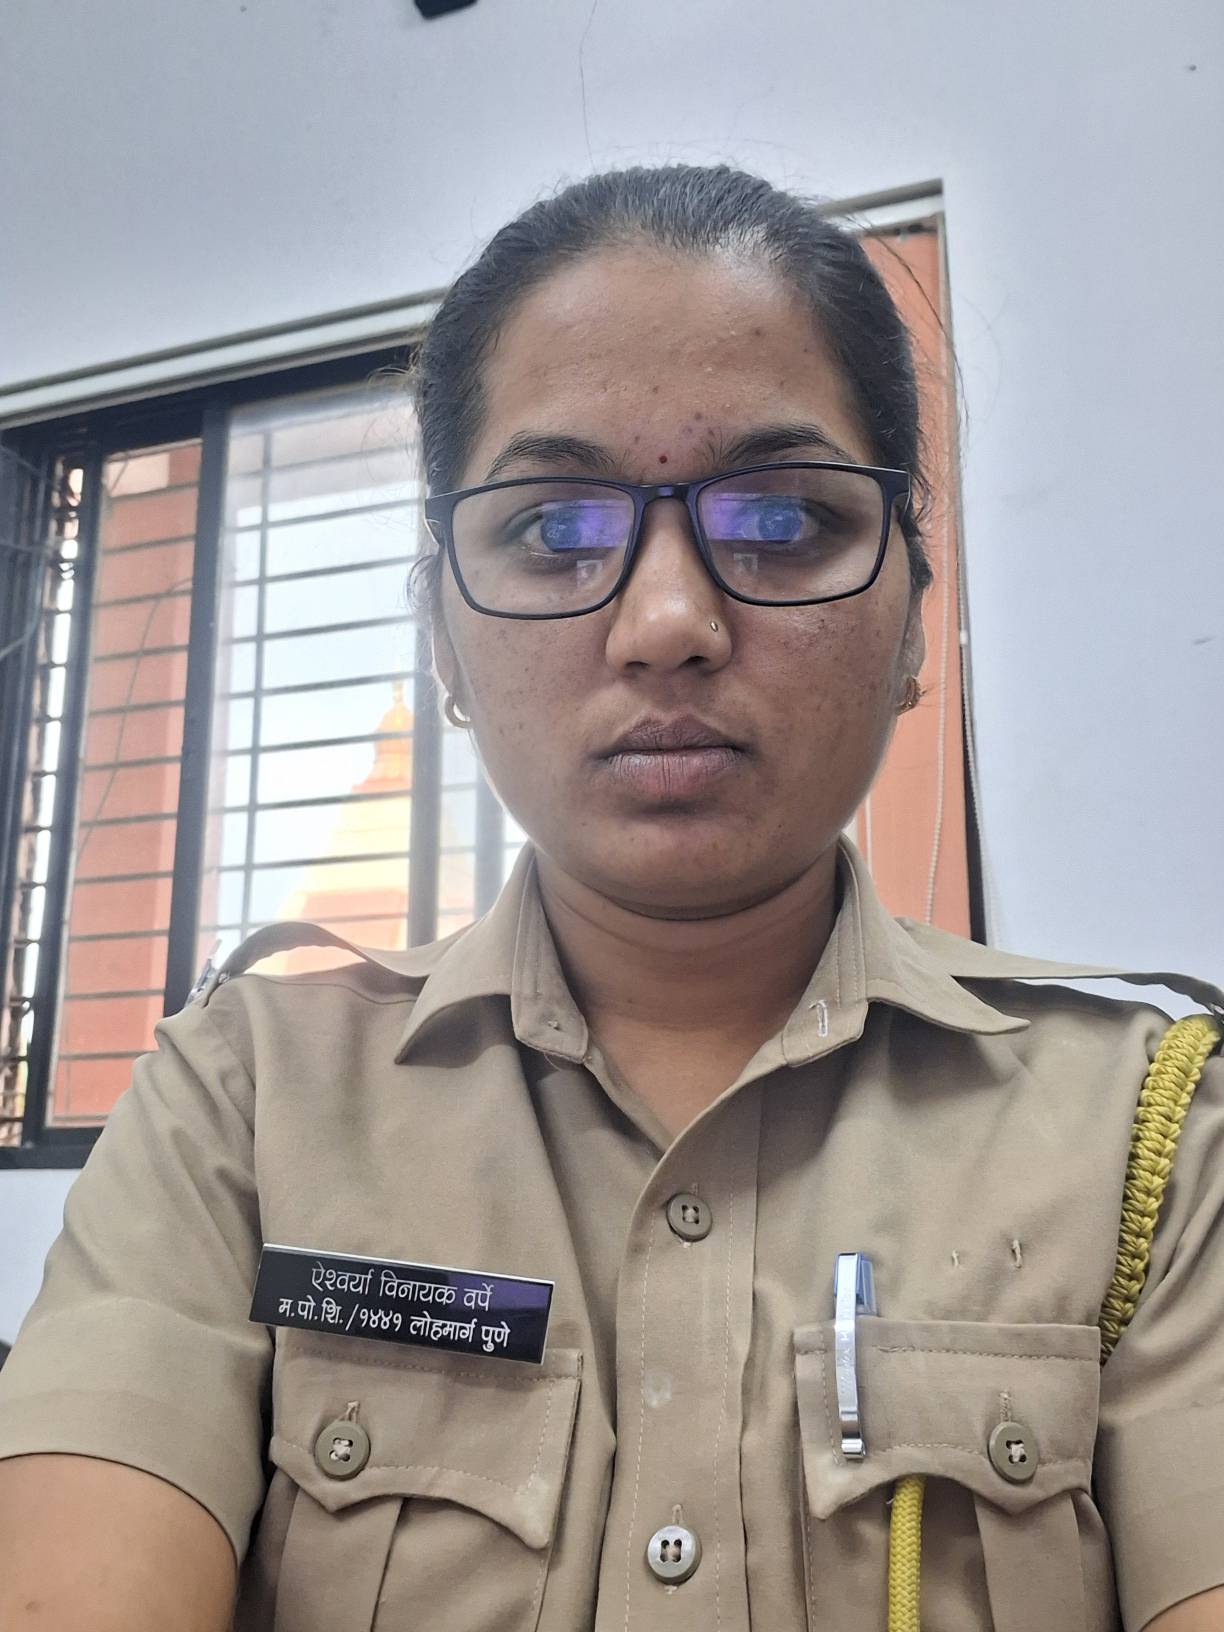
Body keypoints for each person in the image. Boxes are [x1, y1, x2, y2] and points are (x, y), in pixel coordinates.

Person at [0, 163, 1220, 1632]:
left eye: (783, 520)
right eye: (555, 531)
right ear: (442, 639)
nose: (668, 623)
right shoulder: (243, 1104)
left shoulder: (1152, 1137)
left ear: (913, 612)